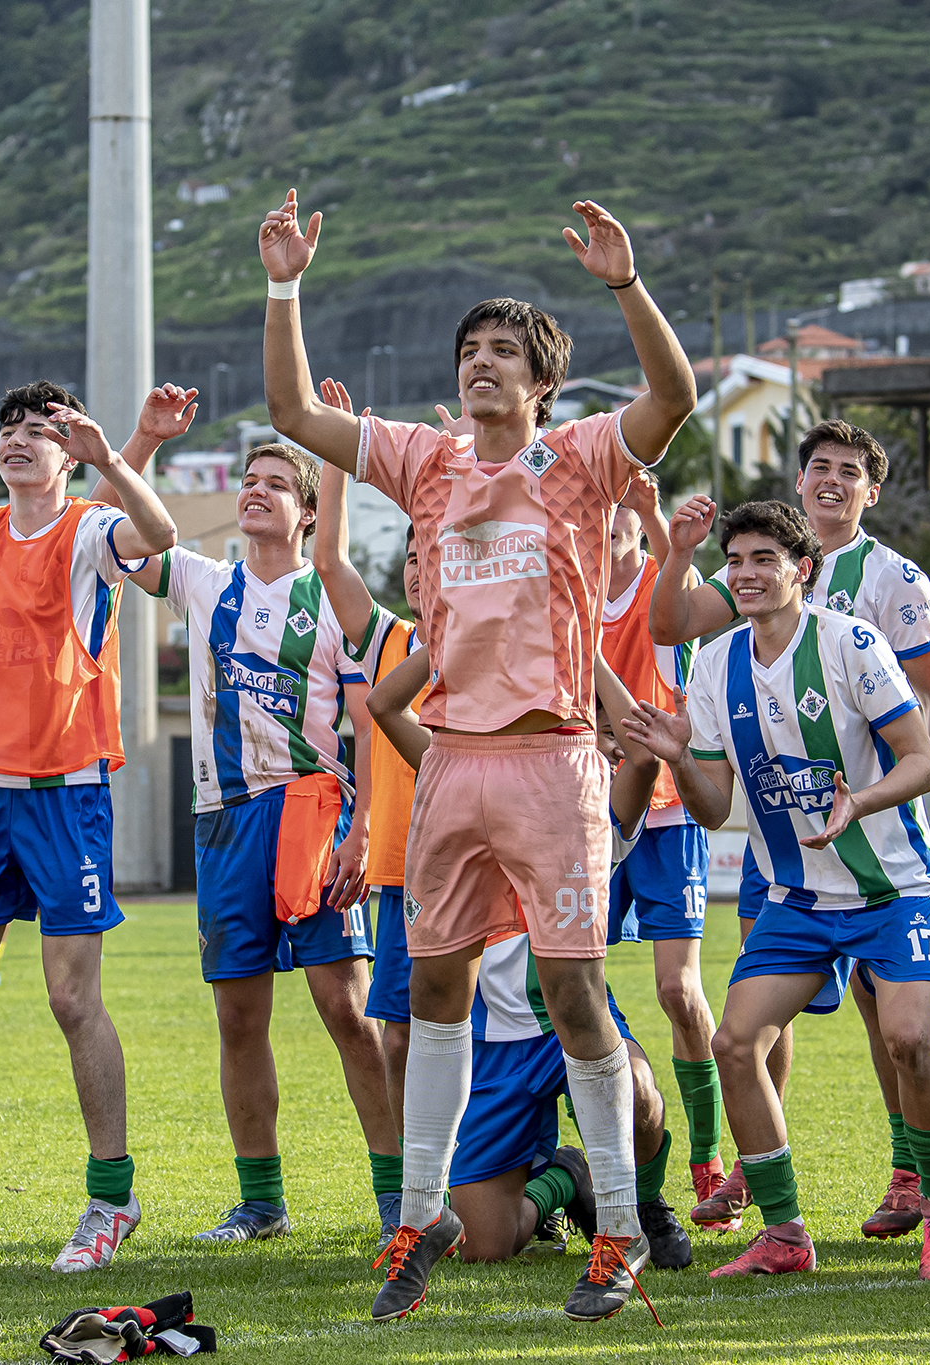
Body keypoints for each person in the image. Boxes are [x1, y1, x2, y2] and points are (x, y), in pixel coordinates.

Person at [258, 186, 697, 1322]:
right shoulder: (425, 460)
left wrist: (623, 284)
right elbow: (295, 412)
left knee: (573, 996)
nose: (481, 364)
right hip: (450, 764)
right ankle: (414, 1218)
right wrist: (283, 285)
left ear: (542, 381)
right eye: (470, 350)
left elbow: (675, 396)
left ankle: (613, 1230)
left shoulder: (584, 458)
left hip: (553, 760)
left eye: (504, 351)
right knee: (436, 994)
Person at [623, 500, 930, 1283]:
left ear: (801, 569)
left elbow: (923, 760)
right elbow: (712, 807)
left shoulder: (853, 643)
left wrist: (861, 802)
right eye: (735, 559)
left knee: (908, 1040)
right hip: (796, 897)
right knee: (734, 1042)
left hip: (892, 888)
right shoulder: (714, 664)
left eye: (763, 559)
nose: (744, 573)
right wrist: (679, 757)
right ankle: (784, 1232)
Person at [0, 381, 183, 1273]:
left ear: (70, 451)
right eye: (10, 427)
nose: (19, 440)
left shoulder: (85, 530)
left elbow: (156, 537)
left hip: (62, 791)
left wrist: (124, 451)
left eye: (41, 430)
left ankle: (112, 1197)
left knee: (72, 998)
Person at [128, 439, 398, 1249]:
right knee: (238, 1016)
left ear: (308, 511)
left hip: (311, 816)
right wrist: (136, 448)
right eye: (248, 480)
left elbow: (368, 722)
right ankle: (261, 1199)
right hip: (223, 817)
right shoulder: (207, 582)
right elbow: (131, 544)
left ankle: (396, 1197)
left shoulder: (332, 599)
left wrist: (365, 829)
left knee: (346, 1010)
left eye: (277, 484)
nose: (256, 492)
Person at [370, 647, 689, 1278]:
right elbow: (383, 704)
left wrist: (578, 639)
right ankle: (566, 1177)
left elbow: (647, 752)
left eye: (592, 727)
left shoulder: (594, 807)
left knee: (639, 1091)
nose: (586, 737)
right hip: (489, 1046)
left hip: (565, 1025)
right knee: (486, 1243)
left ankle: (644, 1207)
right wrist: (451, 634)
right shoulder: (456, 773)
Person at [306, 376, 420, 1246]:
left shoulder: (502, 632)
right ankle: (419, 1199)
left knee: (515, 1035)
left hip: (487, 869)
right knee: (399, 1038)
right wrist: (332, 455)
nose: (426, 565)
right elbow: (330, 563)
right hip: (401, 875)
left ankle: (548, 1174)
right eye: (416, 555)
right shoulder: (389, 640)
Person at [599, 469, 725, 1227]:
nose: (607, 517)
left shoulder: (665, 583)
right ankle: (570, 1158)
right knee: (561, 986)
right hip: (586, 801)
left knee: (680, 991)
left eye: (622, 506)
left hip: (668, 809)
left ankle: (706, 1156)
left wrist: (654, 516)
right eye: (598, 504)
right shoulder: (566, 588)